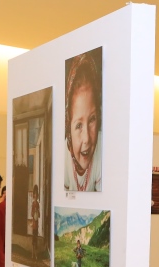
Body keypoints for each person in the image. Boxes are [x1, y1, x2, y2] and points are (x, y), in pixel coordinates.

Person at [64, 51, 102, 192]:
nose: (86, 138)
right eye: (78, 125)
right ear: (68, 128)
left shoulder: (103, 149)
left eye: (92, 119)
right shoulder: (64, 156)